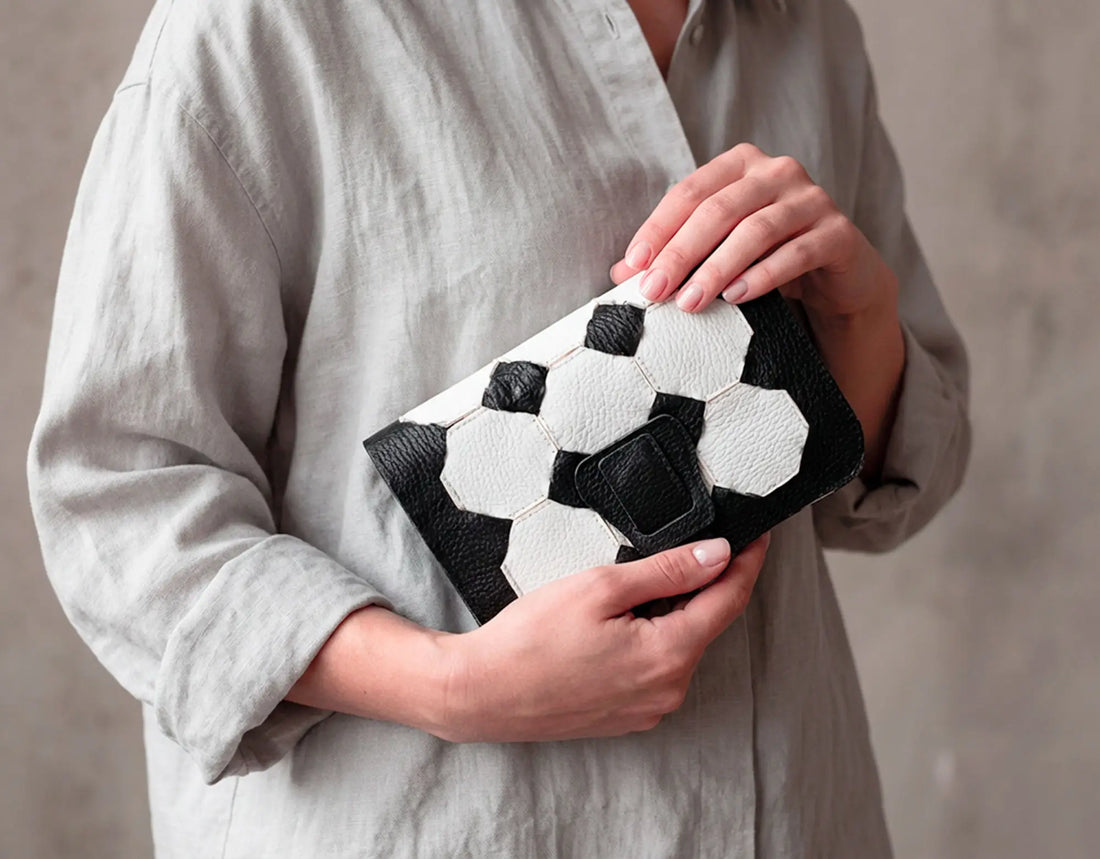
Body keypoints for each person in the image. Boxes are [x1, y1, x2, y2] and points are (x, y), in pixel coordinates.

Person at [28, 0, 969, 855]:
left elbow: (885, 491)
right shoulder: (268, 25)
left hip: (800, 812)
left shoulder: (809, 31)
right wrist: (446, 685)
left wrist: (858, 316)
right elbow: (120, 488)